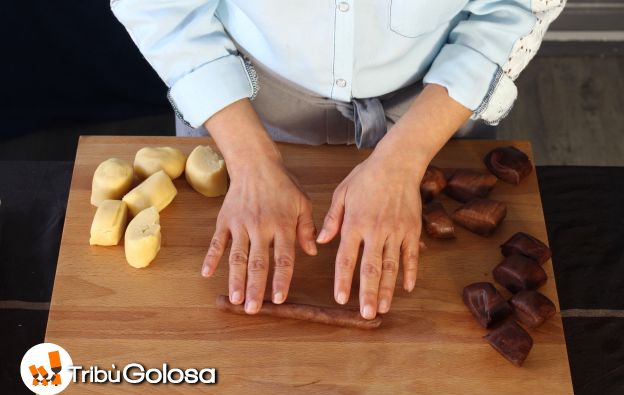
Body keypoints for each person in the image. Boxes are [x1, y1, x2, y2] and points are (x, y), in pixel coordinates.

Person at [111, 0, 565, 320]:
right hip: (239, 104)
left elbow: (521, 6)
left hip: (436, 105)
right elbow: (158, 7)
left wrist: (404, 160)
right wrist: (249, 161)